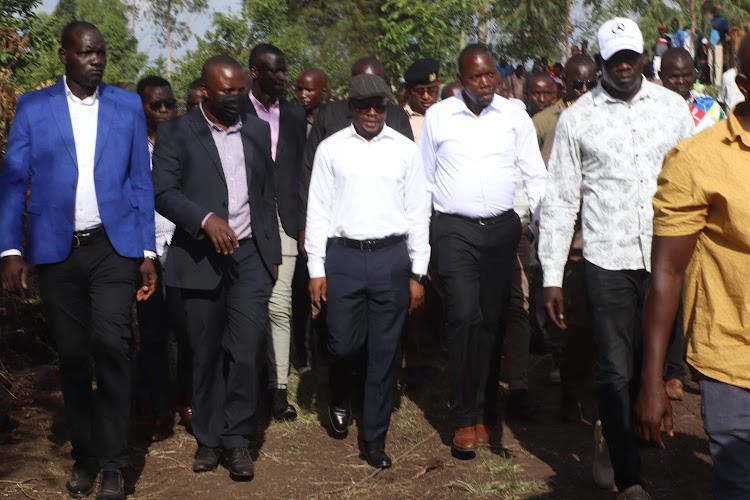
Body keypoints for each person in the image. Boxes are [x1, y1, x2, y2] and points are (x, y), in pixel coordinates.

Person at [0, 21, 157, 500]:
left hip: (113, 246)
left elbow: (139, 181)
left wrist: (147, 250)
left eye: (101, 53)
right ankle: (84, 457)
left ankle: (113, 463)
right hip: (56, 250)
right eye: (87, 53)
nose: (97, 60)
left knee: (112, 344)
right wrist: (10, 249)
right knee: (72, 356)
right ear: (65, 56)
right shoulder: (32, 108)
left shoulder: (127, 105)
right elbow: (11, 181)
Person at [539, 18, 694, 500]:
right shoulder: (577, 118)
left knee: (648, 362)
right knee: (613, 366)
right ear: (602, 60)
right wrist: (551, 275)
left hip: (664, 254)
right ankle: (630, 478)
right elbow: (562, 198)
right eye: (615, 58)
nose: (624, 65)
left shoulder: (673, 110)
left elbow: (692, 183)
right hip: (606, 255)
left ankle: (620, 428)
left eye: (631, 56)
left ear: (644, 57)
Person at [152, 55, 281, 480]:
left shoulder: (257, 129)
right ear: (205, 91)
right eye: (226, 90)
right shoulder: (177, 132)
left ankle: (237, 438)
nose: (236, 97)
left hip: (248, 257)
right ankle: (208, 438)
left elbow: (265, 195)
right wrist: (205, 220)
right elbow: (164, 193)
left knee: (245, 351)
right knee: (204, 353)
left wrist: (272, 254)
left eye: (241, 89)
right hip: (199, 257)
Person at [636, 33, 750, 500]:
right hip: (732, 356)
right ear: (744, 84)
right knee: (738, 483)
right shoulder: (698, 161)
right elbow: (667, 273)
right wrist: (653, 377)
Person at [419, 43, 547, 453]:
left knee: (491, 322)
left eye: (491, 73)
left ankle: (485, 410)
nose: (487, 82)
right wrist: (420, 248)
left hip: (502, 230)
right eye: (477, 76)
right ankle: (462, 418)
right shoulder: (440, 117)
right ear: (461, 80)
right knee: (463, 317)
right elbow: (423, 181)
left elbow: (534, 173)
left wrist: (546, 226)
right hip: (454, 229)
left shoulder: (513, 114)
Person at [306, 73, 431, 469]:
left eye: (379, 104)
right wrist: (315, 267)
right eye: (364, 106)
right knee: (343, 345)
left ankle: (374, 440)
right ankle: (340, 394)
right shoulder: (331, 150)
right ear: (351, 109)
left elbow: (418, 212)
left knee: (384, 352)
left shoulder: (405, 150)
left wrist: (419, 271)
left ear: (388, 105)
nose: (373, 112)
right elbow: (318, 211)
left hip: (392, 257)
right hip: (342, 257)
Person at [245, 43, 307, 422]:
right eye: (273, 70)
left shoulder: (296, 115)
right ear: (254, 71)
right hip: (244, 221)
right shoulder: (236, 110)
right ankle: (249, 381)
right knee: (249, 306)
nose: (281, 77)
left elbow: (300, 171)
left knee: (279, 304)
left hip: (285, 221)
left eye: (284, 70)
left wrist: (302, 224)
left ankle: (279, 389)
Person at [135, 75, 178, 442]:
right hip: (145, 252)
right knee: (152, 334)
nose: (163, 110)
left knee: (186, 331)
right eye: (155, 104)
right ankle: (158, 408)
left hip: (182, 249)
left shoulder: (186, 143)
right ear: (142, 107)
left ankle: (187, 402)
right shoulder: (130, 147)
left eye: (169, 104)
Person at [533, 54, 597, 151]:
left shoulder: (608, 115)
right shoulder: (542, 122)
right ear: (564, 81)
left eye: (591, 84)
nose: (584, 90)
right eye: (577, 84)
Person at [661, 48, 725, 132]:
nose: (681, 81)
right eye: (674, 76)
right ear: (661, 76)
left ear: (695, 75)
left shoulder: (710, 106)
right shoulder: (652, 108)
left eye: (687, 75)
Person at [403, 58, 441, 142]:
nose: (426, 96)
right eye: (419, 91)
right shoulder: (399, 119)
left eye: (432, 90)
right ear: (408, 89)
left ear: (439, 85)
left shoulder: (448, 115)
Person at [296, 68, 328, 133]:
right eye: (299, 89)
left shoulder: (334, 121)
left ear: (324, 92)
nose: (302, 95)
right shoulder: (292, 121)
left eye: (308, 90)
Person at [709, 6, 729, 85]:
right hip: (711, 44)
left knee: (718, 64)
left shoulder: (723, 20)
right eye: (714, 10)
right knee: (710, 64)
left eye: (716, 10)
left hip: (718, 43)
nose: (715, 12)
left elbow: (726, 30)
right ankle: (712, 82)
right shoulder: (712, 20)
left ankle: (717, 83)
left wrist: (717, 27)